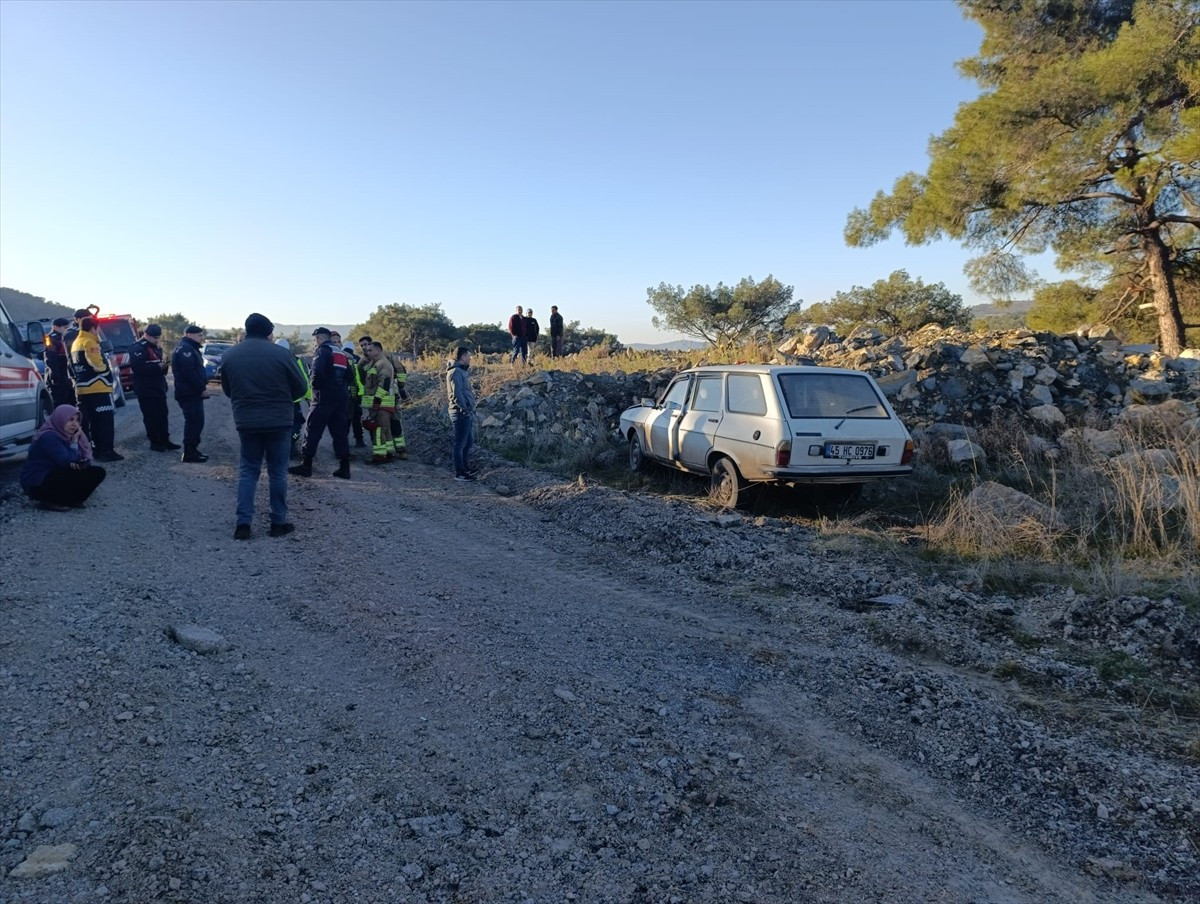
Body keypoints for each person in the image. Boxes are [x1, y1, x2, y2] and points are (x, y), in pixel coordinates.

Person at [221, 313, 309, 539]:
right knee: (277, 472)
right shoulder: (282, 354)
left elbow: (228, 390)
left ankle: (243, 524)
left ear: (247, 330)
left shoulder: (230, 355)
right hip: (279, 421)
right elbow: (301, 388)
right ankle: (278, 523)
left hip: (246, 421)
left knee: (248, 471)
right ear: (269, 332)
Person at [289, 327, 351, 479]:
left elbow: (316, 374)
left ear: (319, 339)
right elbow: (350, 376)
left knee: (313, 429)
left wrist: (316, 391)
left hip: (323, 398)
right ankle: (344, 468)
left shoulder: (322, 351)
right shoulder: (340, 352)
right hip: (341, 398)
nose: (314, 343)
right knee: (340, 432)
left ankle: (306, 465)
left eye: (314, 340)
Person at [19, 405, 107, 510]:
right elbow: (67, 461)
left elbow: (79, 460)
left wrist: (82, 464)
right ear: (60, 419)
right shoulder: (48, 436)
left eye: (77, 420)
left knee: (98, 472)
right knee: (67, 472)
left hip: (56, 475)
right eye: (70, 420)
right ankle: (50, 501)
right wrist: (74, 442)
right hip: (38, 482)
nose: (75, 424)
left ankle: (72, 500)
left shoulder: (66, 435)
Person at [70, 316, 123, 462]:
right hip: (97, 387)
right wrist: (106, 372)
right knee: (104, 422)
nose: (98, 331)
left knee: (93, 422)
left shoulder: (76, 342)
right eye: (98, 328)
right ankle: (106, 451)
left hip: (83, 388)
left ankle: (97, 450)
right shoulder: (89, 342)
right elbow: (96, 364)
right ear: (93, 328)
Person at [128, 324, 180, 451]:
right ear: (146, 335)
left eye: (158, 337)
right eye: (154, 337)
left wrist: (164, 366)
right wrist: (157, 367)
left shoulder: (156, 347)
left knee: (163, 414)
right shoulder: (138, 348)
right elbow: (138, 368)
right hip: (146, 388)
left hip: (158, 386)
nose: (157, 339)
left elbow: (159, 365)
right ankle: (155, 442)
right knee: (151, 416)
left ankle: (165, 440)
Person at [171, 325, 210, 463]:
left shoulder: (189, 347)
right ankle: (189, 452)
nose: (202, 338)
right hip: (189, 392)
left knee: (196, 421)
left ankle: (192, 449)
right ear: (189, 335)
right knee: (194, 421)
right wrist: (201, 388)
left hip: (190, 391)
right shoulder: (186, 349)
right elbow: (190, 373)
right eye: (199, 335)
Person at [360, 342, 396, 464]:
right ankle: (389, 453)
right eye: (367, 350)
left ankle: (379, 456)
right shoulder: (375, 364)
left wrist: (376, 402)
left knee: (379, 430)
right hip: (382, 403)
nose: (367, 352)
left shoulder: (383, 364)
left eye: (370, 350)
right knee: (385, 430)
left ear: (378, 350)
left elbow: (384, 384)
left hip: (381, 404)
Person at [447, 346, 477, 480]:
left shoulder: (460, 371)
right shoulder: (456, 372)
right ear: (463, 357)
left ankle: (465, 468)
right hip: (460, 412)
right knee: (460, 443)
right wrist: (464, 409)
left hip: (465, 412)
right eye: (468, 356)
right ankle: (460, 473)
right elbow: (457, 393)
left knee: (468, 442)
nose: (470, 358)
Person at [275, 337, 311, 448]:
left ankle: (276, 446)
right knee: (295, 425)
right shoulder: (295, 359)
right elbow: (303, 379)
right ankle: (290, 444)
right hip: (292, 400)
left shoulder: (268, 359)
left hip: (273, 401)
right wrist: (309, 397)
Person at [45, 317, 76, 407]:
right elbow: (51, 359)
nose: (67, 330)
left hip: (68, 376)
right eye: (65, 328)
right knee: (60, 404)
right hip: (59, 377)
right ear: (55, 327)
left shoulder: (66, 338)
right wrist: (55, 378)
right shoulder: (51, 339)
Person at [342, 343, 366, 448]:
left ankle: (343, 441)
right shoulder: (359, 359)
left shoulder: (343, 357)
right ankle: (359, 440)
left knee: (346, 418)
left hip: (347, 393)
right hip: (358, 393)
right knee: (357, 418)